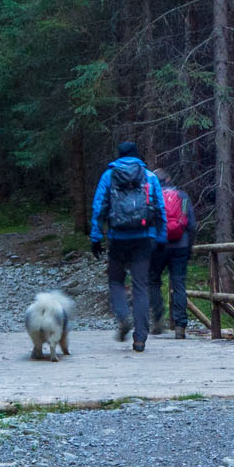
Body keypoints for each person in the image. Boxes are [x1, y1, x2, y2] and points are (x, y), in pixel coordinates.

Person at [90, 141, 166, 351]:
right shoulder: (149, 176)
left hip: (118, 238)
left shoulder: (109, 176)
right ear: (137, 154)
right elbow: (160, 208)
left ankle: (123, 317)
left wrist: (95, 237)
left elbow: (99, 207)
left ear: (119, 155)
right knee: (141, 286)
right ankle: (140, 337)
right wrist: (161, 239)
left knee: (116, 281)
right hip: (143, 238)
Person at [146, 172, 196, 338]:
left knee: (153, 281)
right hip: (180, 245)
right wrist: (189, 246)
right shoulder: (182, 196)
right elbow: (191, 225)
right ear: (169, 179)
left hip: (158, 245)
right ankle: (180, 325)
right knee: (178, 283)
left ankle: (158, 319)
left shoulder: (152, 197)